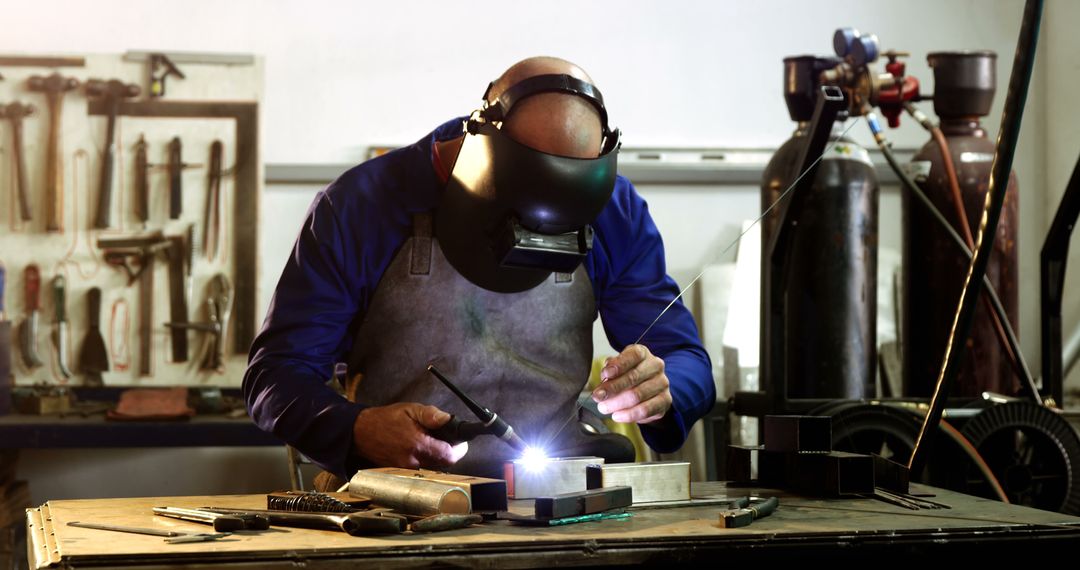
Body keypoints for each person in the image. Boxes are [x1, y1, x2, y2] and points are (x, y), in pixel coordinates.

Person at [244, 56, 715, 483]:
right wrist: (356, 428)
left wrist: (660, 389)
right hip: (393, 500)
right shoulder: (359, 207)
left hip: (557, 491)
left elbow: (686, 359)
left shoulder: (615, 209)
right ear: (480, 149)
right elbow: (274, 376)